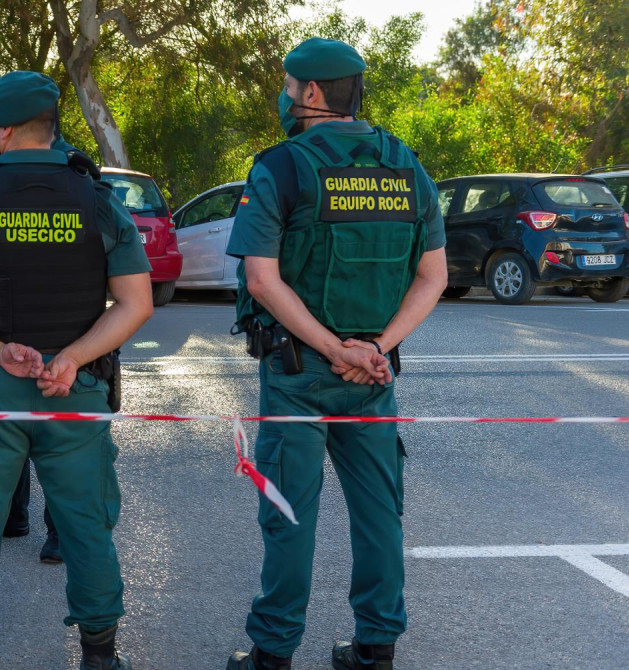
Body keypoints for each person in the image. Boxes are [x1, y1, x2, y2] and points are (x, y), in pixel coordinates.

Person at [0, 71, 153, 670]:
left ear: (6, 131)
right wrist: (74, 357)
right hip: (76, 392)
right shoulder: (98, 200)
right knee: (87, 531)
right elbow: (137, 302)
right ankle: (101, 657)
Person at [224, 38, 447, 670]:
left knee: (288, 513)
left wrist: (333, 349)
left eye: (291, 83)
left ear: (312, 93)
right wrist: (375, 348)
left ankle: (273, 652)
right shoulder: (407, 166)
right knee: (379, 513)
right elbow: (433, 275)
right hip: (374, 375)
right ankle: (377, 648)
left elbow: (263, 280)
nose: (286, 94)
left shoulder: (282, 167)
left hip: (298, 374)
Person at [5, 131, 101, 565]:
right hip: (60, 329)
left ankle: (37, 524)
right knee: (43, 431)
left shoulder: (72, 177)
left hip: (42, 332)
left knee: (34, 429)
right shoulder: (83, 179)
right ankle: (24, 518)